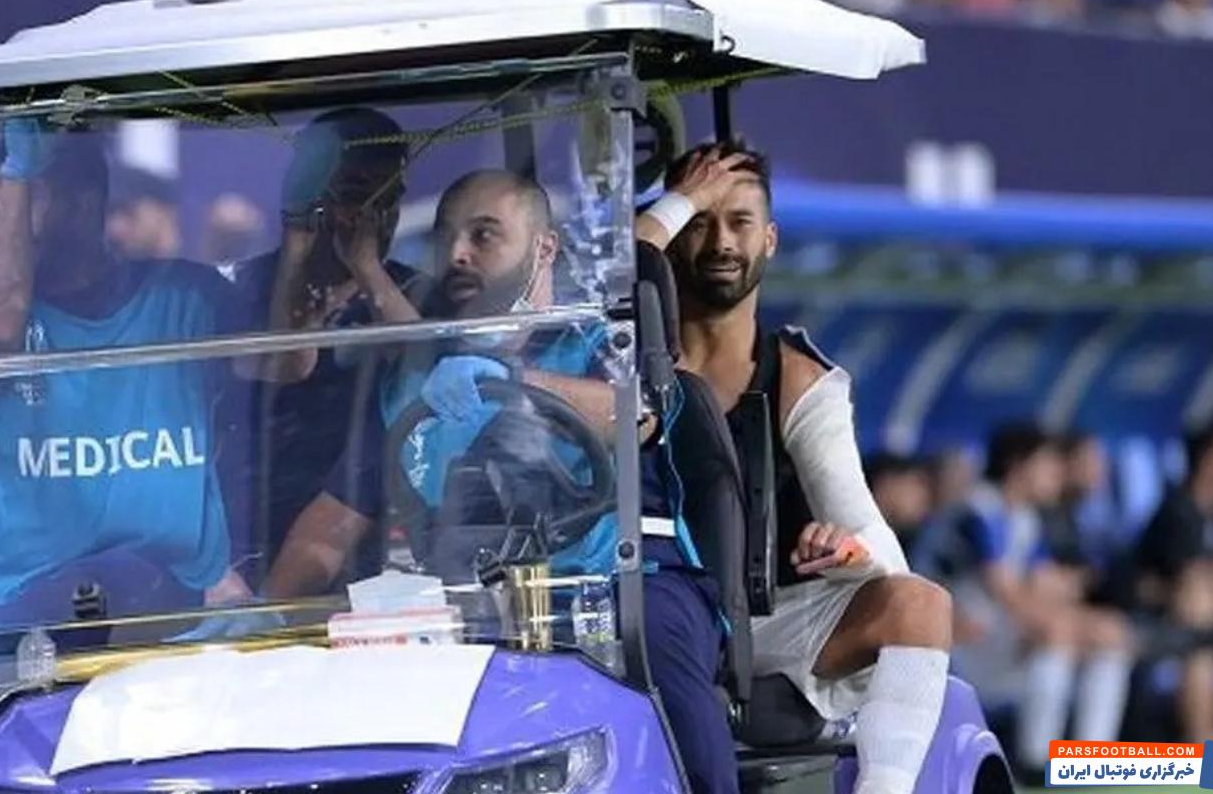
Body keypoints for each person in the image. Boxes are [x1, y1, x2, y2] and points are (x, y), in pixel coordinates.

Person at [639, 140, 952, 794]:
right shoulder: (620, 355)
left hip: (765, 623)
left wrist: (845, 550)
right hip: (641, 606)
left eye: (740, 222)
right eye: (699, 220)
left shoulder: (800, 380)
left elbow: (875, 542)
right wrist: (676, 202)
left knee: (920, 604)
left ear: (770, 239)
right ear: (670, 233)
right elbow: (624, 264)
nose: (721, 242)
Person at [263, 169, 621, 597]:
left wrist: (513, 381)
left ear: (544, 248)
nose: (456, 254)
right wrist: (263, 616)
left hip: (595, 597)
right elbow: (328, 531)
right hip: (462, 607)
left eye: (483, 236)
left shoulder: (591, 339)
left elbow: (634, 414)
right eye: (445, 237)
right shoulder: (414, 383)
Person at [0, 119, 249, 620]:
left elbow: (287, 364)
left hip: (171, 596)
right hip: (21, 606)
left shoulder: (189, 297)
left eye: (18, 200)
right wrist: (20, 173)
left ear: (84, 205)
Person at [229, 108, 428, 559]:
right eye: (356, 196)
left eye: (389, 198)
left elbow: (429, 374)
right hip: (257, 532)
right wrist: (296, 253)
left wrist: (368, 271)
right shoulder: (249, 285)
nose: (376, 217)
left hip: (373, 535)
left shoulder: (413, 292)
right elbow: (282, 363)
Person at [928, 424, 1131, 777]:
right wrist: (1064, 619)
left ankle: (1093, 759)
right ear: (1018, 465)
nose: (1057, 474)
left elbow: (1042, 587)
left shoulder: (1025, 519)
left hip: (1001, 632)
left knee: (1109, 633)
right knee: (1057, 632)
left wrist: (1080, 619)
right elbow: (1005, 591)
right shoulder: (979, 509)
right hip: (958, 637)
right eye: (1048, 464)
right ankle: (1036, 761)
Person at [1135, 417, 1213, 742]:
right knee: (1202, 651)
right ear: (1210, 456)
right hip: (1157, 623)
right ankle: (1206, 753)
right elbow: (1191, 594)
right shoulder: (1178, 510)